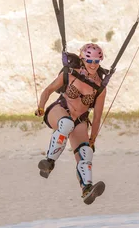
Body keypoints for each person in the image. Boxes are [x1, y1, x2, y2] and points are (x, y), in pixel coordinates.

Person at [35, 43, 106, 205]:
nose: (93, 65)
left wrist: (92, 138)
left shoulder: (100, 88)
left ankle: (87, 189)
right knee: (66, 124)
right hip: (60, 110)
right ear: (82, 59)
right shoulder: (70, 74)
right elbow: (48, 90)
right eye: (89, 61)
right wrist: (40, 106)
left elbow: (97, 117)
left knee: (86, 153)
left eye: (96, 61)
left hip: (80, 119)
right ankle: (49, 162)